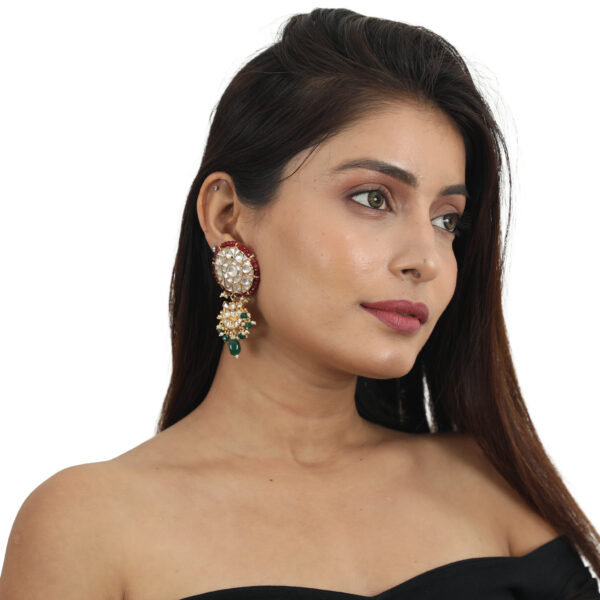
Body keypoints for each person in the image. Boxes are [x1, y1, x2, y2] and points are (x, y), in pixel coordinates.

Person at [1, 7, 598, 599]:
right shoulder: (88, 526)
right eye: (373, 198)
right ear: (227, 217)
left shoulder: (493, 483)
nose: (428, 260)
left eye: (448, 220)